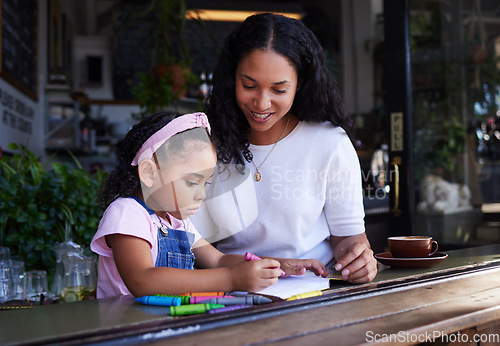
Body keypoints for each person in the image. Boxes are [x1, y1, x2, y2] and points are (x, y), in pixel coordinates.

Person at [191, 13, 377, 284]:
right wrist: (267, 267)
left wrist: (359, 259)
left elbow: (348, 237)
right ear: (232, 78)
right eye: (249, 85)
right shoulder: (206, 143)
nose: (261, 103)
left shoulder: (329, 143)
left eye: (278, 90)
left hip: (312, 292)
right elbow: (190, 237)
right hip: (230, 293)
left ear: (299, 83)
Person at [90, 111, 327, 298]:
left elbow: (218, 260)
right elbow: (143, 280)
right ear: (150, 173)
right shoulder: (127, 213)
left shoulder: (178, 222)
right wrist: (231, 279)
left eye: (206, 184)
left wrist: (275, 266)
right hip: (123, 329)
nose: (201, 195)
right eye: (192, 182)